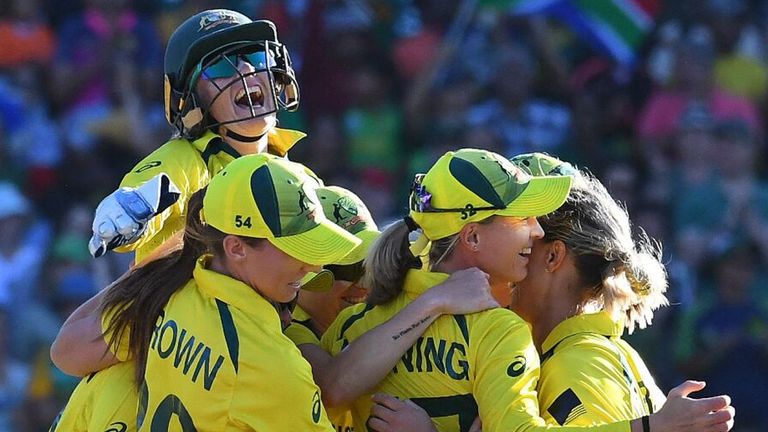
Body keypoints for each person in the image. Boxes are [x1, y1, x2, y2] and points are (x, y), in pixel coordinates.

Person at [322, 148, 734, 432]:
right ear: (472, 237)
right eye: (520, 221)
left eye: (532, 231)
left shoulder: (573, 363)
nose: (530, 233)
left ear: (553, 258)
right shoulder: (514, 338)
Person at [55, 153, 362, 430]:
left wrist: (153, 263)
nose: (313, 266)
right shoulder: (270, 366)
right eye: (296, 249)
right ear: (236, 248)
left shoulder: (173, 287)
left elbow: (66, 350)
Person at [88, 8, 304, 263]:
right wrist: (130, 207)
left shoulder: (295, 170)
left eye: (256, 56)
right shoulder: (187, 159)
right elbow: (159, 182)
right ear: (190, 100)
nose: (247, 68)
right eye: (222, 64)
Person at [285, 185, 499, 431]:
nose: (365, 282)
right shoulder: (286, 328)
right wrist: (436, 300)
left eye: (370, 264)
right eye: (349, 270)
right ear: (303, 270)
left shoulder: (377, 315)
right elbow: (333, 386)